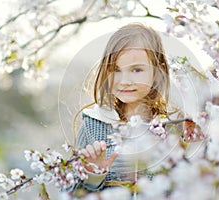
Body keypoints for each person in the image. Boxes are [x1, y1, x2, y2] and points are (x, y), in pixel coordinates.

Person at [68, 23, 204, 196]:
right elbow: (70, 193)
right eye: (116, 70)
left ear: (157, 72)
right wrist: (93, 175)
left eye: (136, 70)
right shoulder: (94, 125)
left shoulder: (174, 126)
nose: (125, 80)